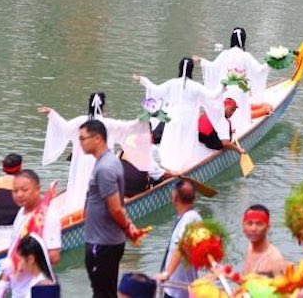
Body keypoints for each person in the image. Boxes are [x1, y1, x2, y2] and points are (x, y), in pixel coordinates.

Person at [39, 93, 152, 213]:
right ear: (102, 107)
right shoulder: (107, 123)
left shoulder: (81, 121)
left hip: (82, 161)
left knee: (81, 180)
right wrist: (144, 117)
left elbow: (64, 127)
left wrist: (52, 114)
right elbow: (129, 127)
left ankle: (78, 207)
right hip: (100, 161)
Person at [80, 119, 146, 298]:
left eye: (83, 138)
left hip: (102, 242)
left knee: (102, 293)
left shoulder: (106, 167)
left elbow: (116, 208)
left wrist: (127, 228)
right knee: (105, 291)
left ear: (97, 139)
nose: (80, 143)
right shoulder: (108, 161)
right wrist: (130, 227)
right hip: (104, 239)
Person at [135, 58, 225, 174]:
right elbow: (213, 95)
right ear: (191, 70)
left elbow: (155, 89)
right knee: (185, 141)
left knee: (171, 140)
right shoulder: (195, 86)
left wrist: (143, 79)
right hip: (188, 120)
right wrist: (223, 85)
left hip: (173, 118)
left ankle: (166, 164)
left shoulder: (172, 83)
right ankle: (184, 165)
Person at [0, 170, 62, 298]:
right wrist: (5, 279)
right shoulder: (21, 212)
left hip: (38, 288)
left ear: (37, 189)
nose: (19, 195)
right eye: (15, 191)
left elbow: (54, 257)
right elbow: (14, 249)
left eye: (24, 190)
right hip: (17, 287)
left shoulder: (48, 216)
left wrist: (22, 263)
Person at [196, 28, 270, 136]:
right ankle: (238, 130)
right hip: (240, 91)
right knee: (238, 110)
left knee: (225, 109)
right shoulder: (246, 56)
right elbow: (259, 70)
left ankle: (222, 129)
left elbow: (213, 67)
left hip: (225, 89)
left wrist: (201, 61)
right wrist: (270, 63)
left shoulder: (225, 53)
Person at [155, 179, 202, 298]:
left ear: (175, 198)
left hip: (179, 289)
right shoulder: (189, 217)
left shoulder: (189, 219)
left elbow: (181, 246)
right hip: (175, 286)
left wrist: (167, 273)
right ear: (194, 198)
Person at [241, 205, 286, 277]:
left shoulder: (275, 260)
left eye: (259, 224)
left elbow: (285, 286)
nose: (253, 229)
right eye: (249, 223)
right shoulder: (250, 247)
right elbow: (247, 283)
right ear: (243, 226)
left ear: (268, 227)